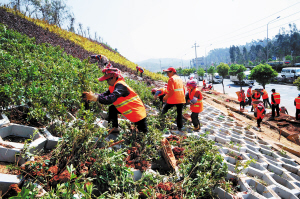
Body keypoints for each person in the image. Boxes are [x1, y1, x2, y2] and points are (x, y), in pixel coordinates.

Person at [82, 68, 148, 133]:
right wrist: (93, 95)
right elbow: (104, 95)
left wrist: (96, 98)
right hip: (130, 111)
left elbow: (111, 99)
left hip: (138, 114)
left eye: (107, 80)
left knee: (143, 134)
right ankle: (114, 128)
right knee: (112, 108)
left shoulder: (120, 85)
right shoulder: (113, 86)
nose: (107, 81)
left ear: (113, 78)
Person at [162, 67, 186, 131]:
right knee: (179, 113)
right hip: (181, 98)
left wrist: (165, 97)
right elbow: (183, 89)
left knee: (165, 109)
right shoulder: (179, 79)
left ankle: (161, 119)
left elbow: (171, 91)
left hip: (174, 98)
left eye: (168, 72)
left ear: (172, 72)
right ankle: (180, 127)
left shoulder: (171, 79)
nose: (167, 74)